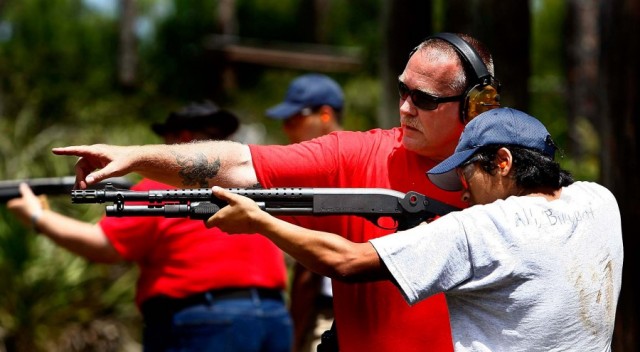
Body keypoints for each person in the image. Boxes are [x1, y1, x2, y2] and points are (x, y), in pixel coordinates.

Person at [52, 32, 499, 351]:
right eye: (402, 91)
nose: (404, 108)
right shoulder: (358, 153)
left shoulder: (511, 172)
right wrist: (134, 157)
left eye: (422, 99)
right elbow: (240, 164)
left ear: (476, 103)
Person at [208, 107, 624, 351]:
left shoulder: (483, 228)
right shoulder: (599, 202)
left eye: (468, 177)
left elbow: (346, 261)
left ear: (502, 163)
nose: (463, 195)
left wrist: (259, 221)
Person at [8, 101, 293, 352]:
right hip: (274, 316)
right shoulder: (255, 185)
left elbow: (104, 245)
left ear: (182, 138)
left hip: (205, 322)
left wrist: (38, 217)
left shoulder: (163, 185)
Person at [265, 73, 343, 352]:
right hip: (324, 311)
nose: (287, 129)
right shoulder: (313, 171)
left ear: (324, 115)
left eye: (294, 119)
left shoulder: (355, 163)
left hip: (343, 312)